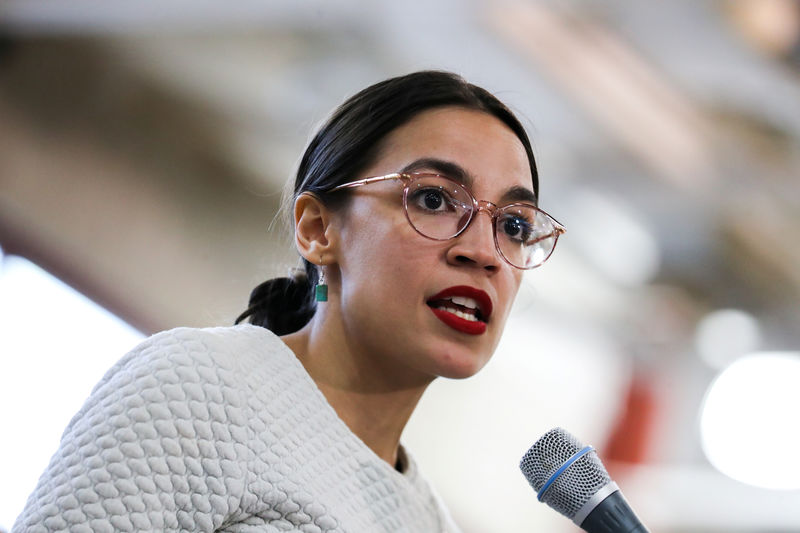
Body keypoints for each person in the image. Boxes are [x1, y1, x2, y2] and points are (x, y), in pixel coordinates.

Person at [13, 70, 565, 532]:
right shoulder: (200, 389)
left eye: (514, 225)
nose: (485, 252)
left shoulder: (431, 522)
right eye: (432, 198)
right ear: (318, 229)